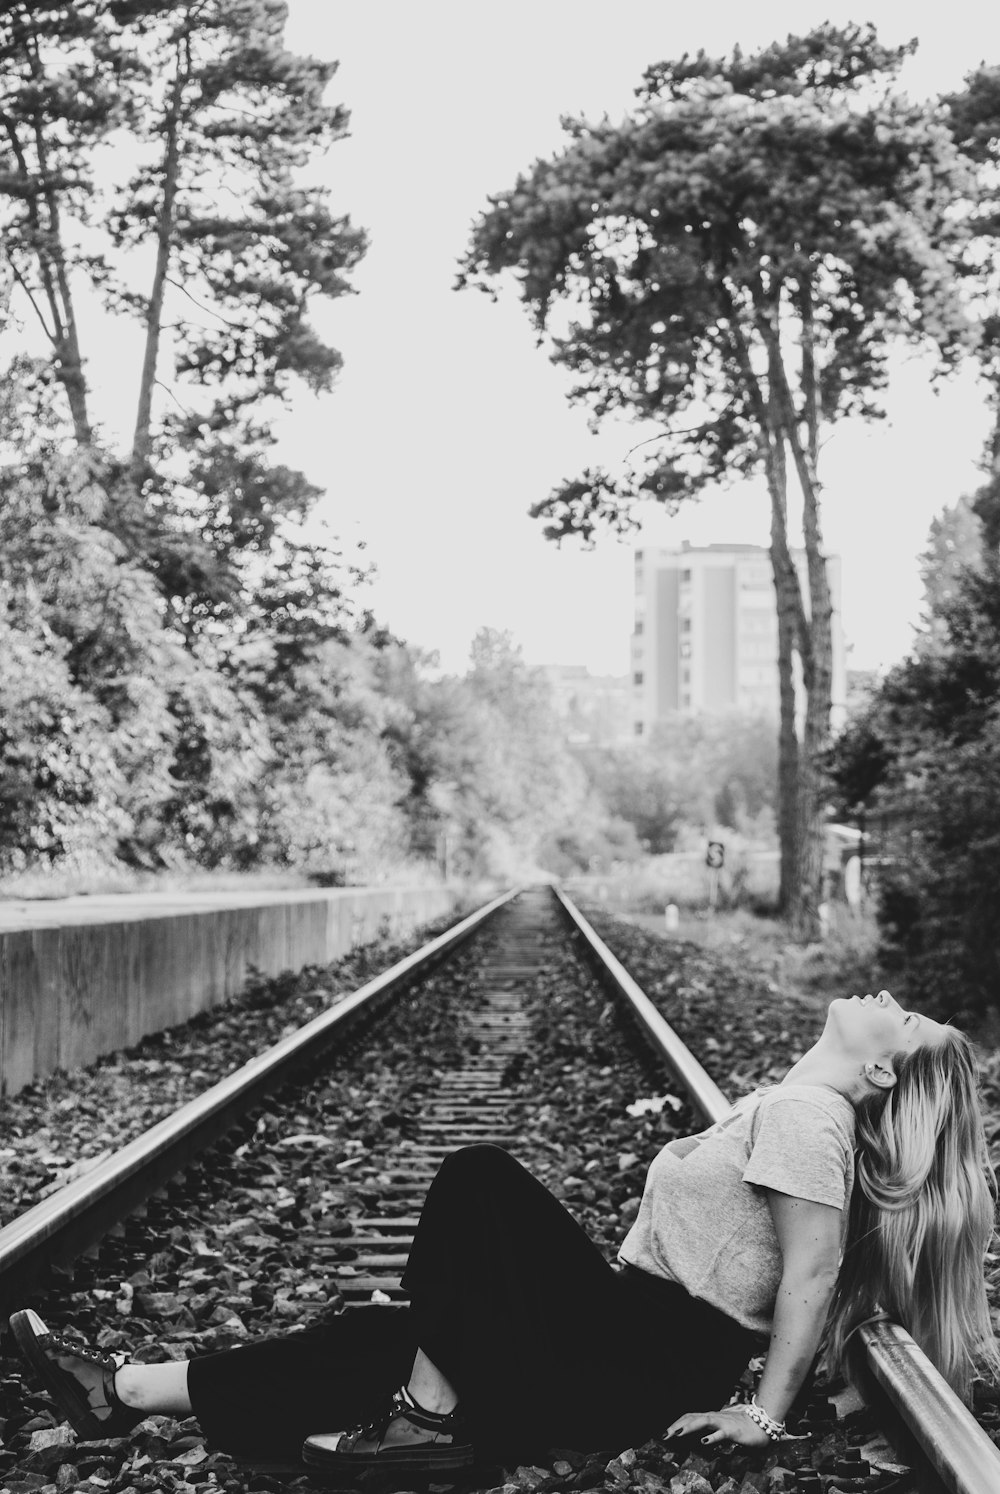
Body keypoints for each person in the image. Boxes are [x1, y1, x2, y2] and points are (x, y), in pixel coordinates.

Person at [10, 989, 999, 1480]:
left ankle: (430, 1420)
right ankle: (126, 1393)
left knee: (478, 1178)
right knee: (396, 1332)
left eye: (899, 1016)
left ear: (878, 1074)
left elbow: (813, 1272)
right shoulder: (798, 1108)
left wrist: (769, 1416)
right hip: (633, 1344)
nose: (882, 998)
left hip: (645, 1348)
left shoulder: (808, 1118)